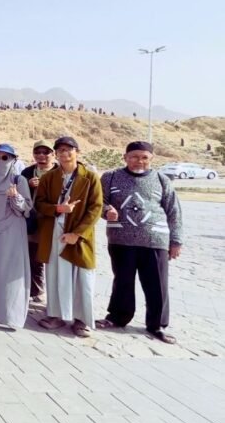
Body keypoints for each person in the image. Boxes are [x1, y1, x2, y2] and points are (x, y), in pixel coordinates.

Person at [96, 141, 183, 344]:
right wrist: (106, 211)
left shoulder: (162, 180)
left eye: (144, 157)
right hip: (120, 239)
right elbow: (99, 201)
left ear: (151, 159)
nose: (139, 161)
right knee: (123, 280)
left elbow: (174, 211)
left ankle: (157, 325)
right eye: (134, 156)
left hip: (155, 240)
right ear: (125, 157)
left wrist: (176, 241)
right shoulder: (110, 177)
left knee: (157, 285)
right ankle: (118, 317)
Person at [36, 136, 103, 337]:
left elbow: (96, 208)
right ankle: (55, 315)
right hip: (54, 233)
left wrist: (77, 233)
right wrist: (58, 208)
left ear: (77, 152)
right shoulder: (49, 177)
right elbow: (39, 204)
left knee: (82, 277)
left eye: (69, 149)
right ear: (56, 154)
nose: (64, 154)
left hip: (79, 236)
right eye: (60, 150)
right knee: (55, 274)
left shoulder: (90, 177)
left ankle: (82, 320)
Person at [0, 143, 33, 330]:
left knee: (9, 272)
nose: (1, 161)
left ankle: (10, 317)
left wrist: (15, 197)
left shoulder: (18, 181)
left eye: (5, 157)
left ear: (13, 160)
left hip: (10, 232)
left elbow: (26, 209)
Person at [21, 140, 57, 304]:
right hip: (34, 221)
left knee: (54, 258)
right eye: (38, 152)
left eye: (45, 152)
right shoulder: (27, 172)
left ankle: (57, 295)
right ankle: (36, 290)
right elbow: (19, 195)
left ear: (53, 154)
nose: (41, 156)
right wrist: (28, 186)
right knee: (34, 257)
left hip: (55, 221)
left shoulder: (60, 171)